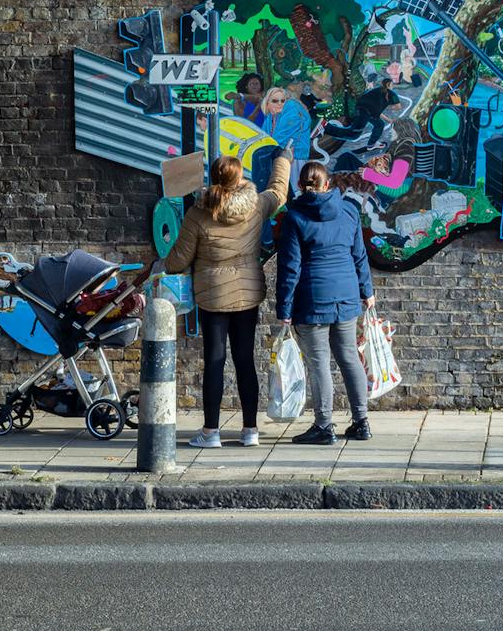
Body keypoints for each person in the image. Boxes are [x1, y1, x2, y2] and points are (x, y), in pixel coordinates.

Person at [156, 145, 293, 448]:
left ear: (214, 178)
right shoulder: (256, 205)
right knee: (245, 360)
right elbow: (278, 192)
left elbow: (177, 261)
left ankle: (211, 432)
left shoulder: (198, 213)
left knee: (215, 361)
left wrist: (160, 264)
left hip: (213, 296)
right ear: (239, 177)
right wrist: (283, 159)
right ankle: (250, 431)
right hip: (247, 294)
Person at [275, 162, 377, 445]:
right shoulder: (349, 211)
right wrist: (367, 291)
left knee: (319, 364)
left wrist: (284, 308)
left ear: (300, 186)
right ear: (328, 184)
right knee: (349, 356)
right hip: (346, 295)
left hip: (312, 300)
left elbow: (290, 268)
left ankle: (323, 426)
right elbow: (359, 256)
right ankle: (361, 422)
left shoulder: (295, 217)